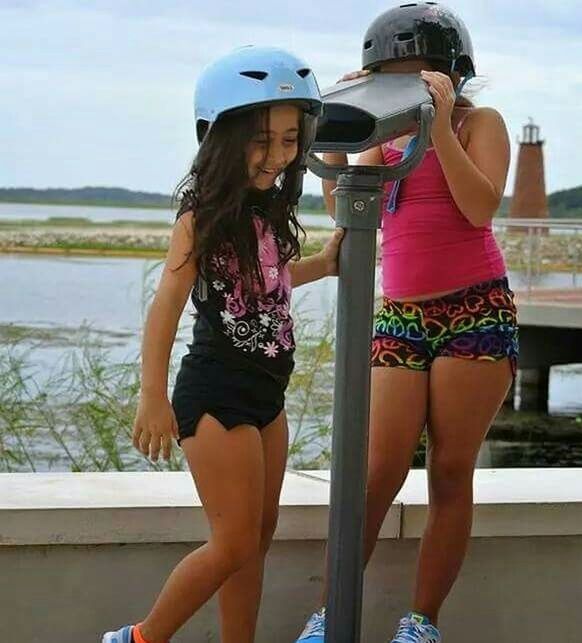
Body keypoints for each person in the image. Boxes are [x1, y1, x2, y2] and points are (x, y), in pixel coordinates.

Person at [102, 45, 343, 643]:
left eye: (290, 139)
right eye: (262, 139)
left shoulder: (264, 208)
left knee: (256, 540)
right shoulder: (200, 213)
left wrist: (325, 264)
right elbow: (166, 307)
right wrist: (151, 396)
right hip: (215, 395)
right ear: (221, 135)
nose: (278, 154)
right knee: (233, 542)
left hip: (268, 396)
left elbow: (269, 281)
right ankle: (140, 638)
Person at [295, 4, 518, 643]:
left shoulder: (483, 123)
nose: (405, 83)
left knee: (450, 469)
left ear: (450, 73)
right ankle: (331, 613)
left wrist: (440, 126)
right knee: (378, 468)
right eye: (388, 75)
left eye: (416, 73)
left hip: (475, 308)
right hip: (401, 314)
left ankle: (421, 623)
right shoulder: (383, 136)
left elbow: (479, 208)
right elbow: (341, 204)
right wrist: (344, 120)